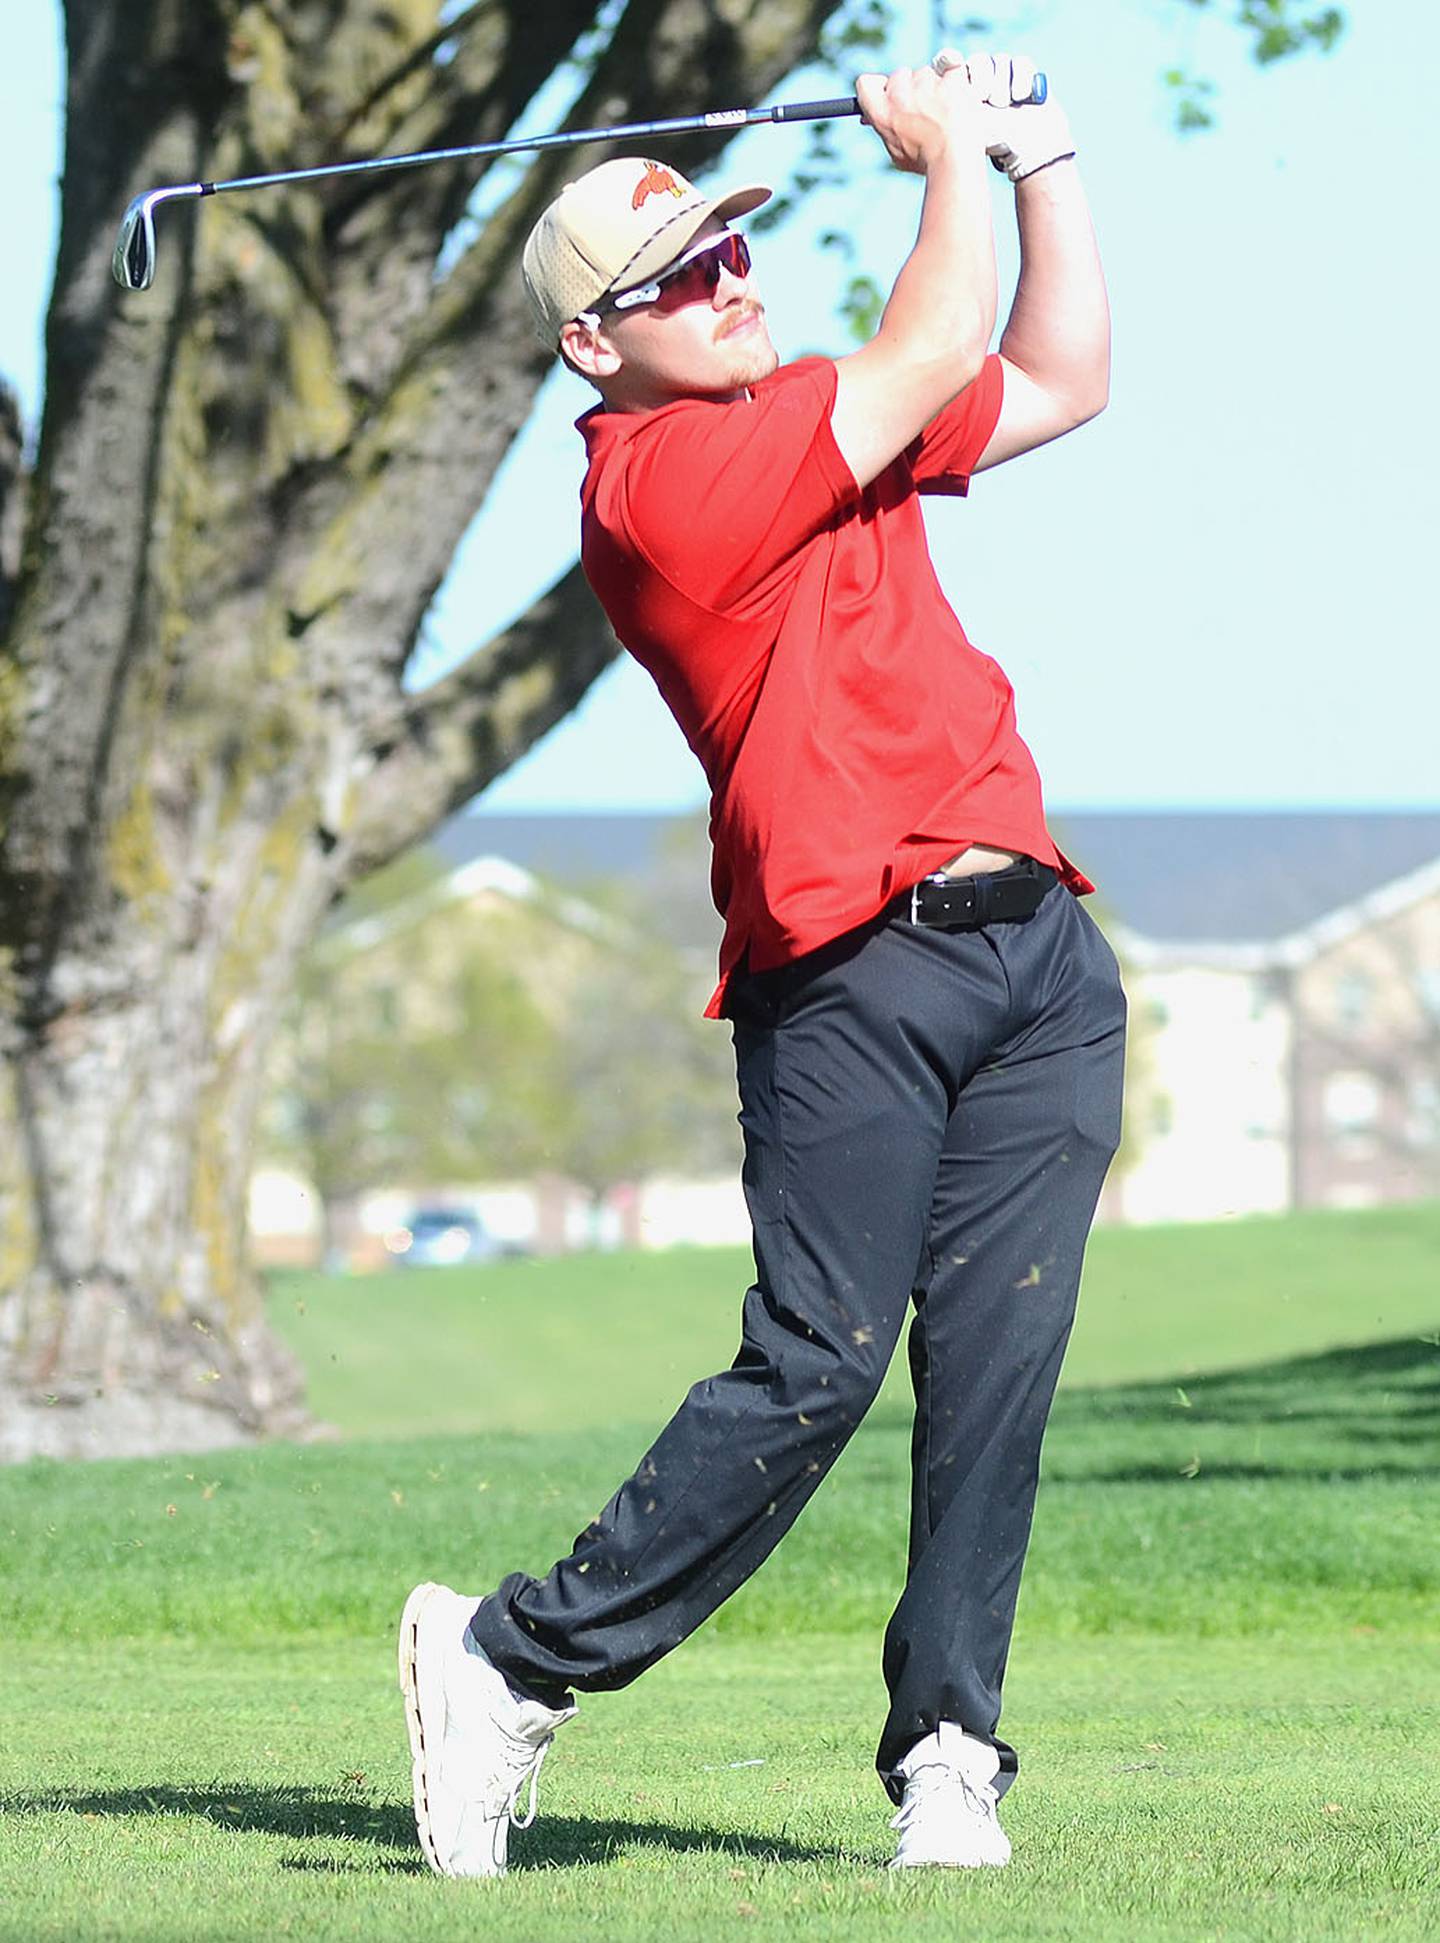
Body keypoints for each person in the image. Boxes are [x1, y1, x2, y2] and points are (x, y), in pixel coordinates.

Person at [399, 49, 1126, 1878]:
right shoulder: (657, 491)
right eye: (679, 282)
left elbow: (1058, 378)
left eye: (733, 254)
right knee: (814, 1364)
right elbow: (942, 334)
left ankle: (950, 1753)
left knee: (999, 1375)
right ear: (594, 346)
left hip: (1034, 948)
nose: (731, 286)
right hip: (848, 975)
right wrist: (945, 152)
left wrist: (1043, 165)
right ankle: (509, 1661)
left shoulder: (820, 409)